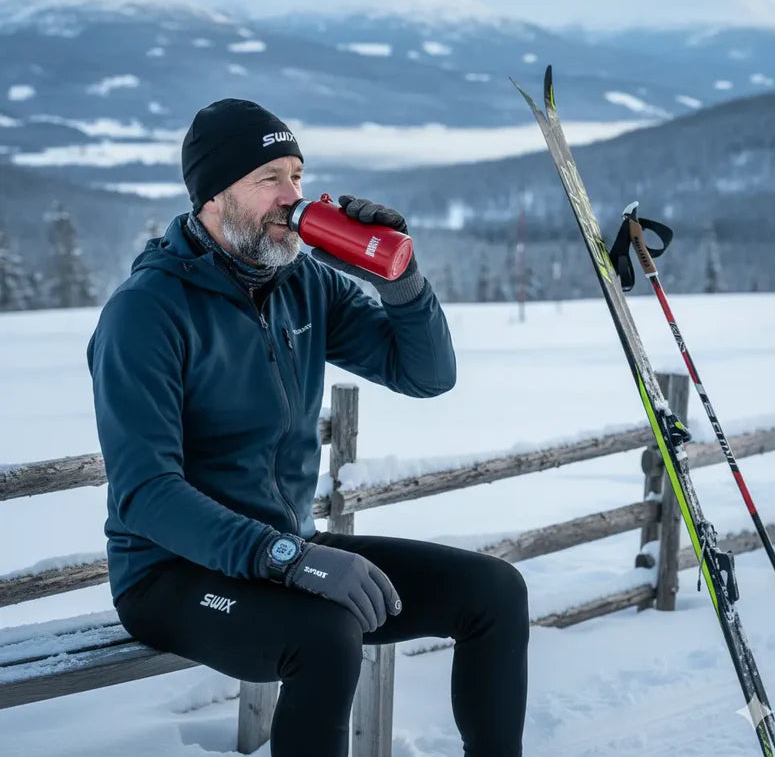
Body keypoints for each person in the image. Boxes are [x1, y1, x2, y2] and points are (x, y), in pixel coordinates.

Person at [86, 98, 530, 756]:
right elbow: (146, 492)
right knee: (324, 636)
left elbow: (426, 374)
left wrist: (401, 276)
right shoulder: (146, 313)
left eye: (297, 175)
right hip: (172, 575)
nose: (293, 197)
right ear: (214, 195)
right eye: (271, 179)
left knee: (493, 592)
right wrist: (287, 557)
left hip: (289, 553)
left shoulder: (303, 284)